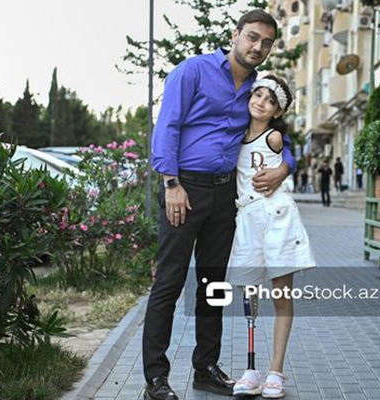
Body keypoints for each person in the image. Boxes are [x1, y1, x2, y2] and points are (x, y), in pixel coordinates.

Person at [144, 10, 297, 400]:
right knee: (169, 282)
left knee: (212, 285)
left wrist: (284, 169)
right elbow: (167, 126)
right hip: (185, 187)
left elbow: (279, 138)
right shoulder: (193, 71)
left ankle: (206, 368)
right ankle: (156, 378)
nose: (258, 47)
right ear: (235, 34)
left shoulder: (258, 90)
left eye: (266, 42)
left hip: (226, 194)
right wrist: (171, 183)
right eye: (252, 37)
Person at [227, 75, 315, 398]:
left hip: (276, 218)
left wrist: (284, 168)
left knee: (281, 296)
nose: (261, 102)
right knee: (249, 296)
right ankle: (251, 370)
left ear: (278, 111)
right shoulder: (236, 134)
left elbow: (289, 152)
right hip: (248, 221)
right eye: (258, 95)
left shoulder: (275, 137)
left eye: (270, 100)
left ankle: (275, 371)